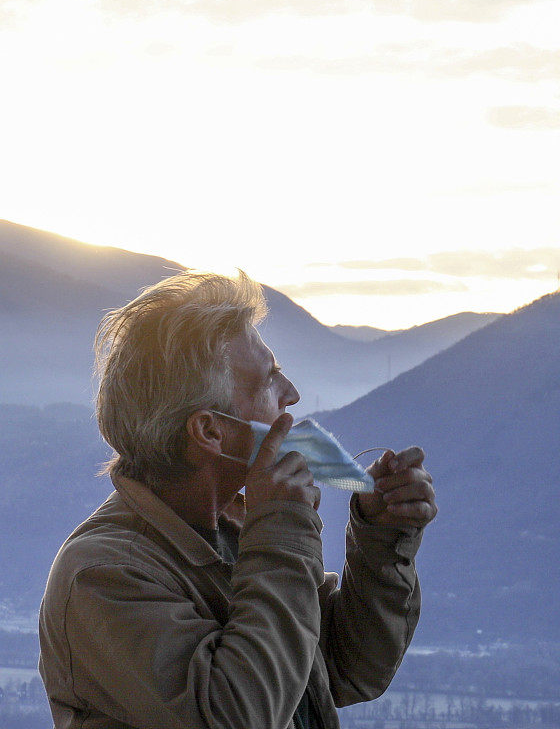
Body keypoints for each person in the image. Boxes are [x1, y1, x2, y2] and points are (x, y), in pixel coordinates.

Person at [38, 271, 437, 729]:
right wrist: (283, 530)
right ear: (210, 431)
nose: (292, 394)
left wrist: (382, 538)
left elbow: (352, 668)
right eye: (269, 381)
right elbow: (236, 716)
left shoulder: (234, 531)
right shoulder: (103, 576)